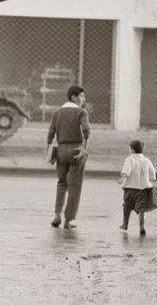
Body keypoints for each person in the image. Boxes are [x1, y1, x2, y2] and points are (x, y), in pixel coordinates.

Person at [47, 85, 90, 229]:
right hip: (76, 150)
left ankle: (57, 214)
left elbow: (50, 134)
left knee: (61, 183)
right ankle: (68, 220)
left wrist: (50, 152)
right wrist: (85, 147)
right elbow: (86, 130)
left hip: (60, 150)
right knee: (75, 186)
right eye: (82, 96)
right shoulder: (81, 112)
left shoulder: (57, 112)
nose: (83, 99)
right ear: (74, 97)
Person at [117, 140, 156, 235]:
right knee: (142, 209)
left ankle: (125, 224)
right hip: (144, 189)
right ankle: (142, 226)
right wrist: (150, 179)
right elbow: (152, 172)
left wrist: (122, 179)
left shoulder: (129, 159)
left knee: (127, 207)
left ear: (132, 149)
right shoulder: (146, 160)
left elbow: (127, 172)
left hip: (130, 189)